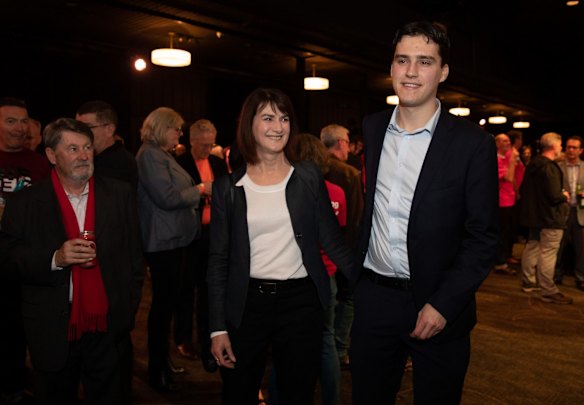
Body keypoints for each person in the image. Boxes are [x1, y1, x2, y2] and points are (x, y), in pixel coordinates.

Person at [351, 21, 499, 404]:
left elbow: (482, 238)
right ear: (391, 67)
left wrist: (444, 304)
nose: (412, 72)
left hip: (439, 305)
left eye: (424, 62)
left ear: (443, 72)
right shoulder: (372, 127)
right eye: (403, 60)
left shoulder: (473, 144)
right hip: (375, 301)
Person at [207, 88, 353, 405]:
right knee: (237, 392)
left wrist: (372, 287)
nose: (279, 126)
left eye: (284, 118)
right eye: (269, 117)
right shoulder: (228, 189)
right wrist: (217, 328)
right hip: (246, 303)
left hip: (300, 302)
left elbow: (332, 241)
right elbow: (218, 261)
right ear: (250, 125)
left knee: (297, 394)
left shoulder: (308, 177)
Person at [0, 117, 144, 404]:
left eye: (87, 147)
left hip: (107, 326)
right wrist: (56, 258)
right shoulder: (25, 203)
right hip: (52, 326)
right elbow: (8, 259)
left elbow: (134, 258)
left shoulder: (118, 194)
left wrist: (126, 310)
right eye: (73, 148)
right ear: (52, 155)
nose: (83, 155)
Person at [136, 107, 206, 392]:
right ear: (160, 127)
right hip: (163, 241)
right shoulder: (150, 155)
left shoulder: (161, 154)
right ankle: (157, 370)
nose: (179, 134)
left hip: (174, 240)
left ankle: (162, 363)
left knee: (167, 306)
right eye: (175, 129)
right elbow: (166, 197)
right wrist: (201, 190)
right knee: (162, 308)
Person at [0, 97, 51, 405]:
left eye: (23, 121)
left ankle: (15, 384)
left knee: (17, 326)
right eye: (10, 121)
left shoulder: (39, 164)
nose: (19, 127)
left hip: (22, 259)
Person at [174, 119, 228, 372]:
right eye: (203, 145)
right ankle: (183, 338)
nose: (207, 149)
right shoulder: (180, 164)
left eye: (210, 145)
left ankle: (208, 339)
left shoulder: (218, 163)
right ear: (191, 141)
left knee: (209, 291)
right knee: (185, 288)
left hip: (213, 235)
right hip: (189, 235)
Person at [320, 123, 364, 368]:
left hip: (316, 253)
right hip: (342, 251)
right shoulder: (349, 174)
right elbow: (355, 220)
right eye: (347, 140)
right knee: (347, 299)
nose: (349, 146)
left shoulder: (308, 168)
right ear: (340, 143)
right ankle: (338, 351)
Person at [518, 132, 572, 303]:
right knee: (548, 253)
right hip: (550, 217)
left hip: (535, 217)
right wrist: (565, 195)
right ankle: (548, 290)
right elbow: (554, 195)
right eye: (561, 144)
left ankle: (529, 281)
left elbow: (524, 191)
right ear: (554, 146)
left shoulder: (533, 164)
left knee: (532, 247)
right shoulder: (549, 167)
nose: (562, 147)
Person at [76, 100, 138, 189]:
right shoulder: (94, 157)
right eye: (77, 128)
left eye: (87, 127)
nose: (79, 133)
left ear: (109, 130)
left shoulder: (120, 164)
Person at [556, 135, 584, 291]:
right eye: (568, 147)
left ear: (581, 150)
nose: (571, 150)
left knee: (581, 248)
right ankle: (557, 274)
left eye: (574, 148)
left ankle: (580, 277)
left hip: (580, 211)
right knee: (560, 245)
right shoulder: (558, 166)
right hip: (563, 211)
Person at [493, 133, 523, 274]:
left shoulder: (505, 158)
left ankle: (505, 257)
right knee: (500, 233)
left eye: (509, 141)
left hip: (509, 199)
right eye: (504, 141)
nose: (508, 144)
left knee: (508, 232)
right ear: (497, 143)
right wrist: (512, 161)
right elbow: (509, 177)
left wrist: (517, 192)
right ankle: (499, 263)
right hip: (500, 201)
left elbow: (515, 179)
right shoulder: (496, 159)